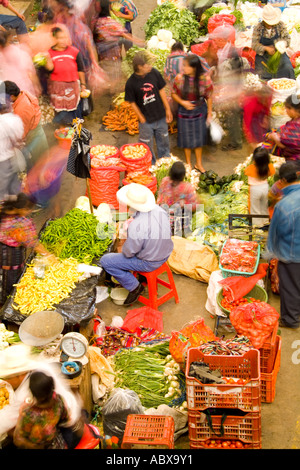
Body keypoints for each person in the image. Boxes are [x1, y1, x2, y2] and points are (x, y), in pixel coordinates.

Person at [100, 183, 174, 305]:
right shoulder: (160, 210)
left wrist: (122, 243)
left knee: (106, 261)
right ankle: (139, 279)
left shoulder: (137, 225)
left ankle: (135, 287)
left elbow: (129, 252)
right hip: (166, 253)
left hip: (149, 262)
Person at [0, 193, 56, 306]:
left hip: (2, 246)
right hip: (11, 254)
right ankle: (5, 302)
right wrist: (49, 255)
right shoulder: (21, 224)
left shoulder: (4, 205)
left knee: (3, 272)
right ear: (21, 209)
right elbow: (34, 244)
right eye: (28, 209)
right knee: (10, 277)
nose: (30, 211)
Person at [267, 162, 300, 329]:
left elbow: (273, 236)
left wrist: (268, 255)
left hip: (291, 254)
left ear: (283, 180)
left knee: (290, 287)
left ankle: (290, 320)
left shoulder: (284, 205)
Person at [125, 51, 173, 164]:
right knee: (146, 146)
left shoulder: (154, 73)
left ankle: (165, 163)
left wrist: (167, 109)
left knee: (164, 142)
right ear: (140, 67)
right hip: (146, 121)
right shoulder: (131, 83)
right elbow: (132, 102)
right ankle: (150, 166)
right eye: (148, 64)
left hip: (160, 116)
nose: (151, 66)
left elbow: (161, 91)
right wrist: (140, 117)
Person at [171, 53, 213, 172]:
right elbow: (173, 93)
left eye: (185, 66)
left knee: (198, 139)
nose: (183, 68)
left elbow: (209, 96)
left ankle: (198, 164)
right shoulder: (179, 78)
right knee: (186, 139)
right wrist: (183, 102)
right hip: (184, 112)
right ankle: (189, 163)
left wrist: (209, 113)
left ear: (194, 67)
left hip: (199, 111)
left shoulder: (205, 79)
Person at [92, 0, 144, 92]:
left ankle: (108, 86)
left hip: (102, 53)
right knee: (116, 74)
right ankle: (111, 89)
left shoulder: (96, 22)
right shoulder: (110, 23)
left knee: (107, 70)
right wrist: (140, 42)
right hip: (112, 53)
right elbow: (126, 35)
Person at [13, 371, 71, 449]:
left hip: (52, 443)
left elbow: (18, 439)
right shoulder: (58, 400)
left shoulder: (58, 401)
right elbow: (18, 439)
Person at [44, 26, 86, 126]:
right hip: (57, 89)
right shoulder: (49, 53)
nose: (63, 40)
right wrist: (47, 60)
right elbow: (49, 70)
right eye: (60, 38)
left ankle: (77, 131)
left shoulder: (74, 52)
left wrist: (83, 85)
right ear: (54, 39)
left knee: (75, 110)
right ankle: (62, 130)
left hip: (72, 87)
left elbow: (80, 69)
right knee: (60, 110)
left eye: (65, 37)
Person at [4, 80, 49, 169]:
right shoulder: (24, 93)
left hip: (34, 137)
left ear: (11, 97)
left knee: (39, 163)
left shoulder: (22, 109)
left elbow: (22, 133)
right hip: (36, 132)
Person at [216, 48, 249, 151]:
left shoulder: (225, 66)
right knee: (242, 116)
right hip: (245, 94)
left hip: (233, 96)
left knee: (233, 119)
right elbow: (248, 76)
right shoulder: (245, 62)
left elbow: (224, 83)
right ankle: (244, 136)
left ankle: (236, 143)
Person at [252, 4, 294, 80]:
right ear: (264, 20)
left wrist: (282, 44)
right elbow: (254, 45)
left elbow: (287, 39)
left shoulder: (280, 25)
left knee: (287, 69)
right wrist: (265, 48)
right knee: (261, 74)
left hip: (279, 55)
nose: (270, 25)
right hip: (263, 57)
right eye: (268, 23)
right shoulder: (258, 28)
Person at [157, 160, 199, 235]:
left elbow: (159, 198)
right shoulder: (187, 187)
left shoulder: (164, 181)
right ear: (183, 176)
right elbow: (194, 205)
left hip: (161, 216)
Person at [0, 30, 40, 96]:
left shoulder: (17, 52)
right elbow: (30, 72)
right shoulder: (20, 51)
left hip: (9, 90)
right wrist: (36, 85)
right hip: (21, 89)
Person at [265, 94, 300, 169]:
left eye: (287, 108)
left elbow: (283, 145)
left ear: (293, 110)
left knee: (266, 145)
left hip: (295, 161)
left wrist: (275, 138)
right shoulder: (295, 121)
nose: (285, 110)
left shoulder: (294, 128)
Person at [244, 146, 275, 226]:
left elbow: (245, 172)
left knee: (255, 208)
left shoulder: (250, 168)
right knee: (264, 205)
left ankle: (257, 225)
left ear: (254, 158)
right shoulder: (269, 167)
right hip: (265, 187)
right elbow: (273, 172)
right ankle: (265, 221)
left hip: (254, 189)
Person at [0, 100, 24, 201]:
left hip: (2, 160)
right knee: (14, 185)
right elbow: (20, 138)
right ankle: (15, 208)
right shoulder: (16, 119)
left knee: (2, 188)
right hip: (12, 157)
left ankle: (4, 210)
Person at [242, 82, 273, 150]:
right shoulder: (250, 103)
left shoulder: (268, 96)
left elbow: (267, 106)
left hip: (262, 114)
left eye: (267, 99)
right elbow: (247, 122)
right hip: (253, 118)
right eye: (263, 99)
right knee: (256, 141)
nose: (265, 101)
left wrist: (266, 117)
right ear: (258, 95)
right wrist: (250, 139)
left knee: (266, 136)